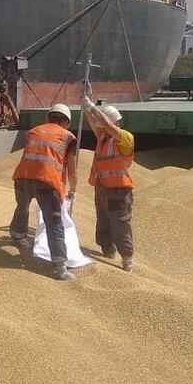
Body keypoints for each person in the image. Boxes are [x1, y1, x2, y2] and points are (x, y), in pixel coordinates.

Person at [10, 103, 79, 280]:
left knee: (22, 207)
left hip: (22, 177)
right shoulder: (68, 137)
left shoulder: (33, 132)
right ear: (67, 122)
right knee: (54, 222)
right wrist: (73, 190)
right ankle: (59, 266)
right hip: (46, 183)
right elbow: (72, 171)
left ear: (48, 117)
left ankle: (17, 235)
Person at [81, 82, 135, 271]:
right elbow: (95, 123)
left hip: (118, 190)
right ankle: (107, 250)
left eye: (104, 126)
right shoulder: (103, 139)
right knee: (103, 222)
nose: (101, 129)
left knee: (120, 224)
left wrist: (91, 106)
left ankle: (127, 257)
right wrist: (85, 101)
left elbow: (105, 124)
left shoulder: (125, 138)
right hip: (102, 187)